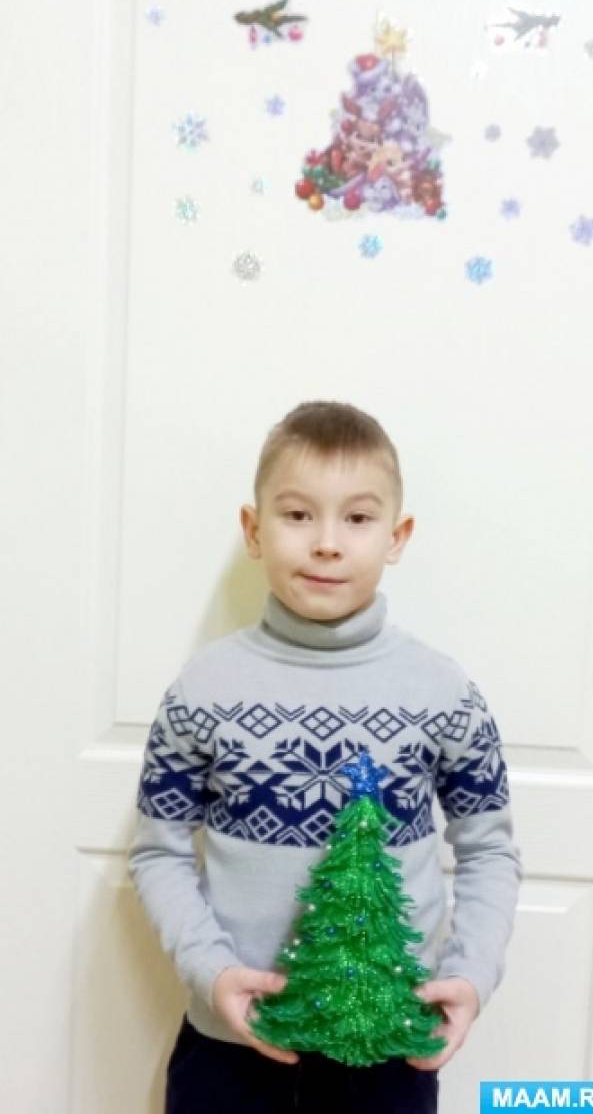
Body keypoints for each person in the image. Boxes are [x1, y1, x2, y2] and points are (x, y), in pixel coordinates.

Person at [128, 400, 522, 1114]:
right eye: (298, 514)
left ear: (397, 536)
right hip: (227, 1050)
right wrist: (212, 972)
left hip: (388, 1050)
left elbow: (489, 848)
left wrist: (471, 974)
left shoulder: (444, 692)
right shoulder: (202, 689)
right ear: (254, 529)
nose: (328, 544)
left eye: (358, 517)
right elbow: (158, 851)